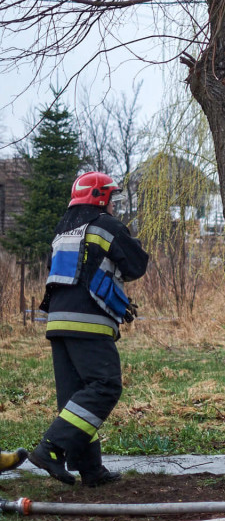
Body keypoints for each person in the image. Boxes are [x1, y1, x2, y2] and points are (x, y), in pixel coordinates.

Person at [29, 171, 149, 487]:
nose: (114, 205)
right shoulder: (106, 225)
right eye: (112, 198)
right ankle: (50, 448)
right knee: (104, 385)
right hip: (88, 321)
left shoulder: (63, 229)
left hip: (57, 321)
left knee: (75, 396)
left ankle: (90, 469)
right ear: (100, 197)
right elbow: (137, 264)